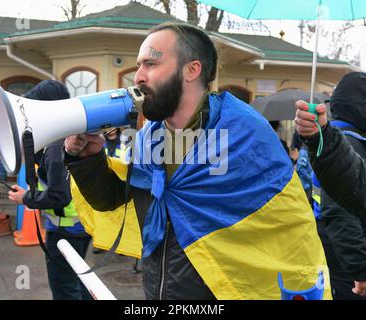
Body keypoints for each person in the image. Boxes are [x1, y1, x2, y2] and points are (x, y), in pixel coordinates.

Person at [64, 22, 330, 300]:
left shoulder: (244, 130)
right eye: (138, 66)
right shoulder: (147, 136)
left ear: (192, 70)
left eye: (151, 64)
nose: (139, 77)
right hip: (158, 290)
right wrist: (88, 157)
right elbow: (113, 199)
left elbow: (280, 223)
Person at [294, 86, 366, 300]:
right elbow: (358, 183)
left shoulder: (358, 138)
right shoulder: (348, 139)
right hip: (349, 261)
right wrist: (362, 270)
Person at [7, 80, 92, 300]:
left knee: (65, 290)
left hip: (65, 232)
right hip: (79, 228)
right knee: (79, 282)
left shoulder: (56, 145)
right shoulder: (65, 139)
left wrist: (25, 197)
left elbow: (59, 196)